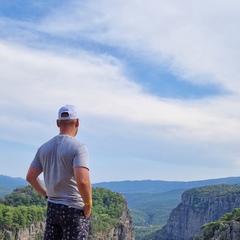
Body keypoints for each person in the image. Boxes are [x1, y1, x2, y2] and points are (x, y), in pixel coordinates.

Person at [26, 104, 92, 240]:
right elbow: (82, 181)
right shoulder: (79, 148)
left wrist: (47, 195)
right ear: (77, 122)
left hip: (53, 208)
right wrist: (88, 204)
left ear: (57, 123)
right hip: (74, 210)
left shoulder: (43, 148)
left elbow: (30, 177)